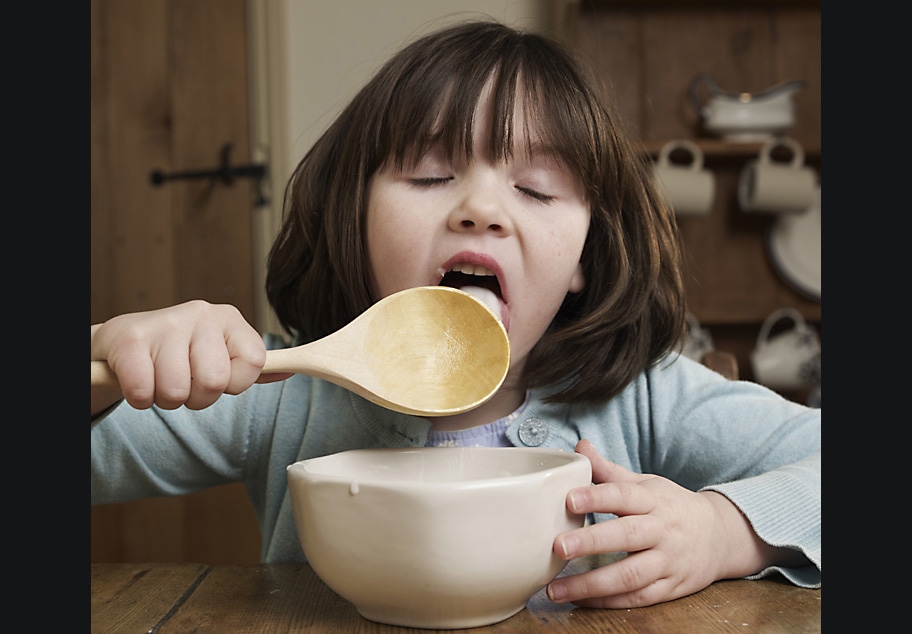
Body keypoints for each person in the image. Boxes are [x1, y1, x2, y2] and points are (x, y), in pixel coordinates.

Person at [91, 20, 820, 609]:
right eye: (433, 175)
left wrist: (723, 531)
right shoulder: (279, 396)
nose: (481, 210)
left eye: (535, 189)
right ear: (355, 219)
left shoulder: (647, 399)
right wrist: (103, 359)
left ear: (583, 264)